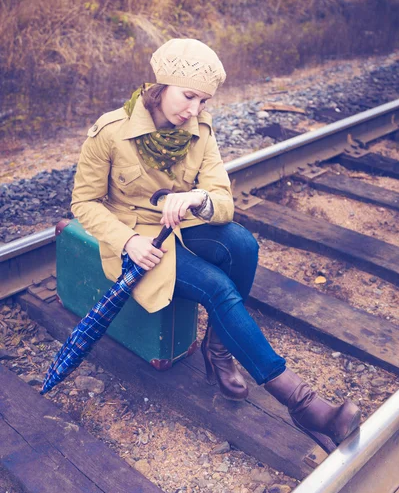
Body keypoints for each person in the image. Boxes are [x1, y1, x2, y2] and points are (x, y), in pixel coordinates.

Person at [71, 38, 361, 452]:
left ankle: (218, 348)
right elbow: (83, 202)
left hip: (182, 226)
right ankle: (302, 403)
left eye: (203, 100)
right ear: (160, 87)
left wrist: (197, 199)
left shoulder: (200, 131)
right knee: (218, 288)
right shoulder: (110, 132)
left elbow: (223, 201)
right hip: (138, 243)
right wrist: (128, 241)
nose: (193, 110)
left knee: (243, 245)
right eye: (188, 96)